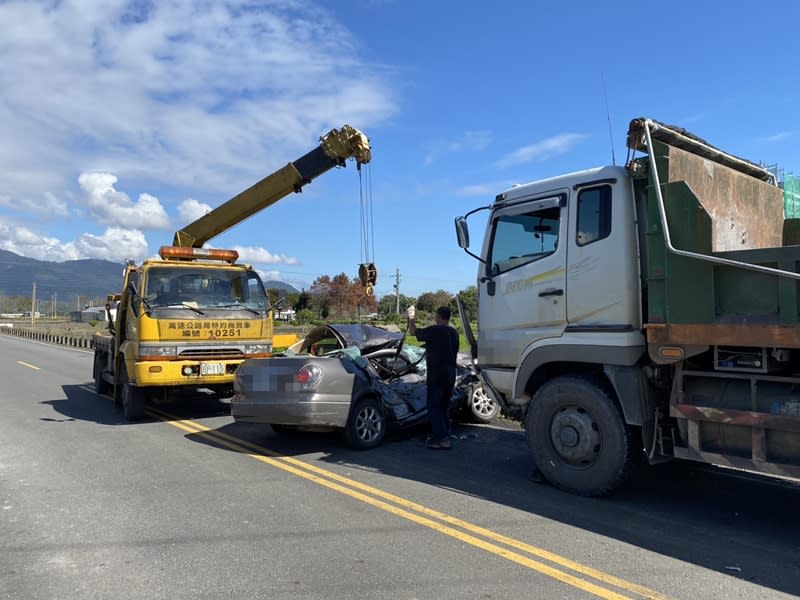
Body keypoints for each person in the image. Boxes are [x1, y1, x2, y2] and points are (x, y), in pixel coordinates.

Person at [407, 305, 460, 449]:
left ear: (438, 316)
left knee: (434, 406)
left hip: (437, 374)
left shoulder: (435, 330)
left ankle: (442, 439)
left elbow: (413, 332)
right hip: (450, 374)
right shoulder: (454, 333)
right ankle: (445, 434)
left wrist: (411, 316)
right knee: (444, 406)